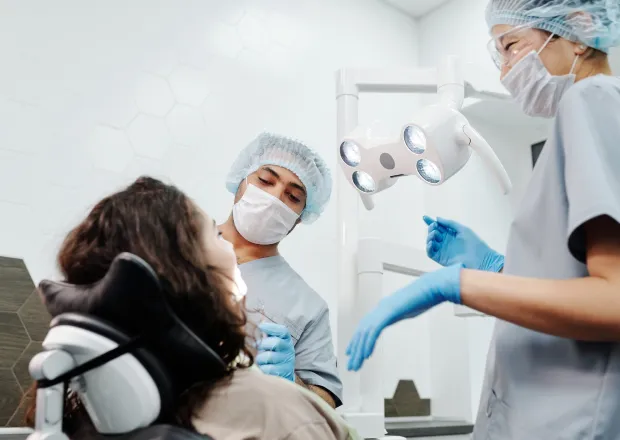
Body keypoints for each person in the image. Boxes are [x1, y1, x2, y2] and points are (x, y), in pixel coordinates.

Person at [345, 1, 620, 438]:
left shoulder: (591, 100)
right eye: (499, 54)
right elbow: (581, 280)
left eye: (511, 46)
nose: (505, 70)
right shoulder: (589, 115)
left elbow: (614, 300)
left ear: (579, 29)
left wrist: (455, 285)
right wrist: (495, 267)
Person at [26, 177, 358, 440]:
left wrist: (291, 380)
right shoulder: (270, 410)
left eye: (293, 195)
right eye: (213, 236)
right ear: (182, 273)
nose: (227, 250)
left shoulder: (84, 406)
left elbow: (323, 392)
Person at [219, 132, 342, 408]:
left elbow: (326, 405)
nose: (275, 198)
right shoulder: (179, 243)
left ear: (299, 219)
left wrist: (290, 382)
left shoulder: (308, 306)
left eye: (293, 196)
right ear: (242, 179)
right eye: (265, 180)